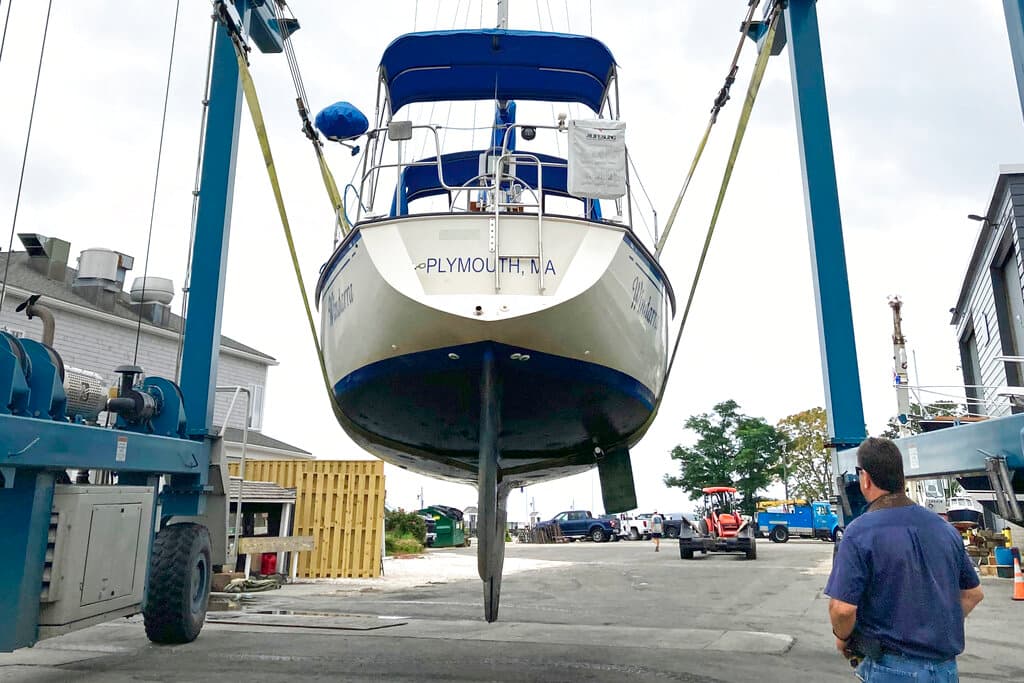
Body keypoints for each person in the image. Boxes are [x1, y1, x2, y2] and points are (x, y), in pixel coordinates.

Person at [825, 437, 984, 681]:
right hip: (945, 670)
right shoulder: (945, 529)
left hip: (891, 668)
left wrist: (842, 638)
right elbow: (973, 594)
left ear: (865, 478)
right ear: (902, 478)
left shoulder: (859, 532)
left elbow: (842, 609)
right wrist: (932, 629)